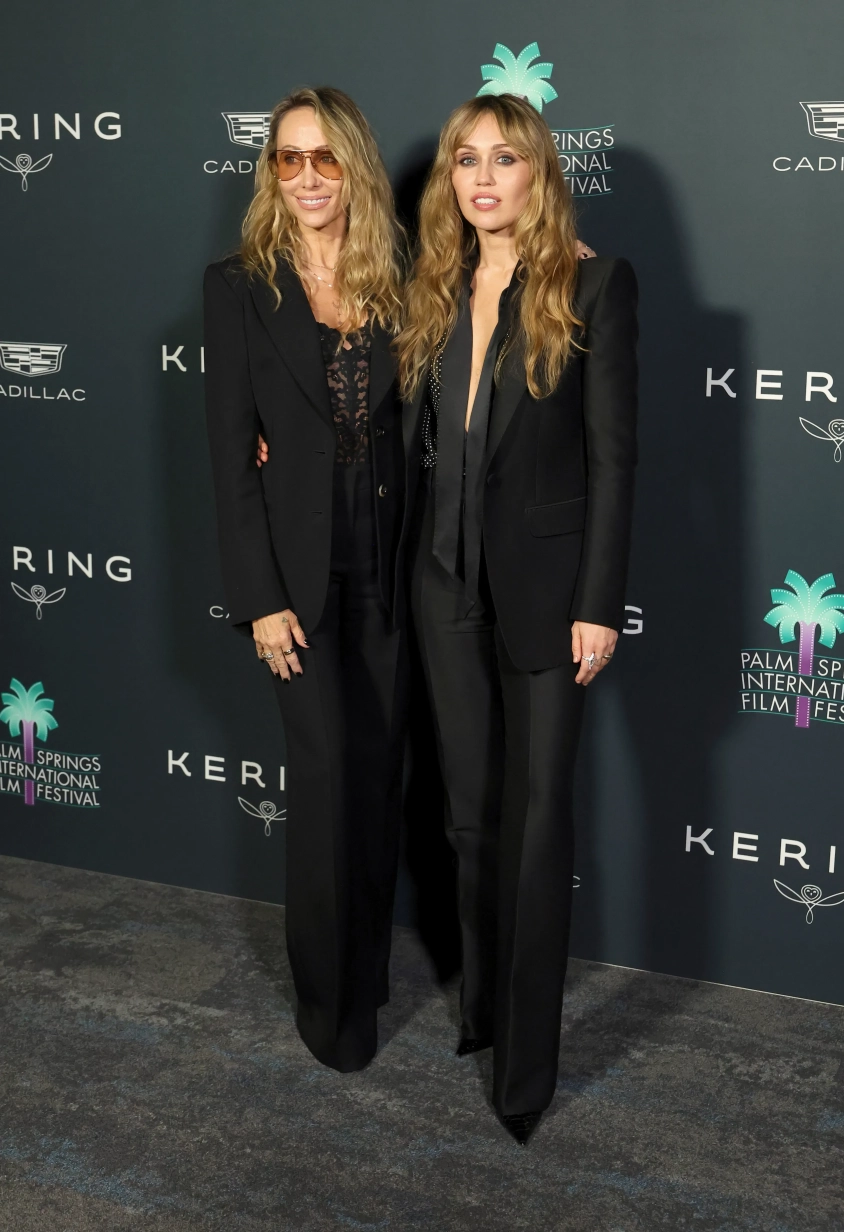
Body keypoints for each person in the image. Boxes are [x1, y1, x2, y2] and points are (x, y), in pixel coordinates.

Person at [393, 94, 638, 1145]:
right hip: (440, 582)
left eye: (504, 158)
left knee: (537, 830)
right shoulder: (432, 287)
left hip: (547, 595)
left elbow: (614, 459)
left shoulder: (593, 283)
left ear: (539, 171)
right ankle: (483, 1011)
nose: (483, 178)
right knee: (469, 817)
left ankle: (524, 1074)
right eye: (465, 160)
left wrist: (598, 603)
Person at [203, 87, 407, 1073]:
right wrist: (260, 598)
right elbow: (228, 458)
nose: (308, 177)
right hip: (297, 581)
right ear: (270, 172)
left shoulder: (404, 274)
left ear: (354, 166)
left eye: (325, 158)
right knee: (323, 783)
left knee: (375, 782)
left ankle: (368, 973)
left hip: (399, 570)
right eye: (288, 158)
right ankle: (332, 1012)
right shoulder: (237, 287)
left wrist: (568, 258)